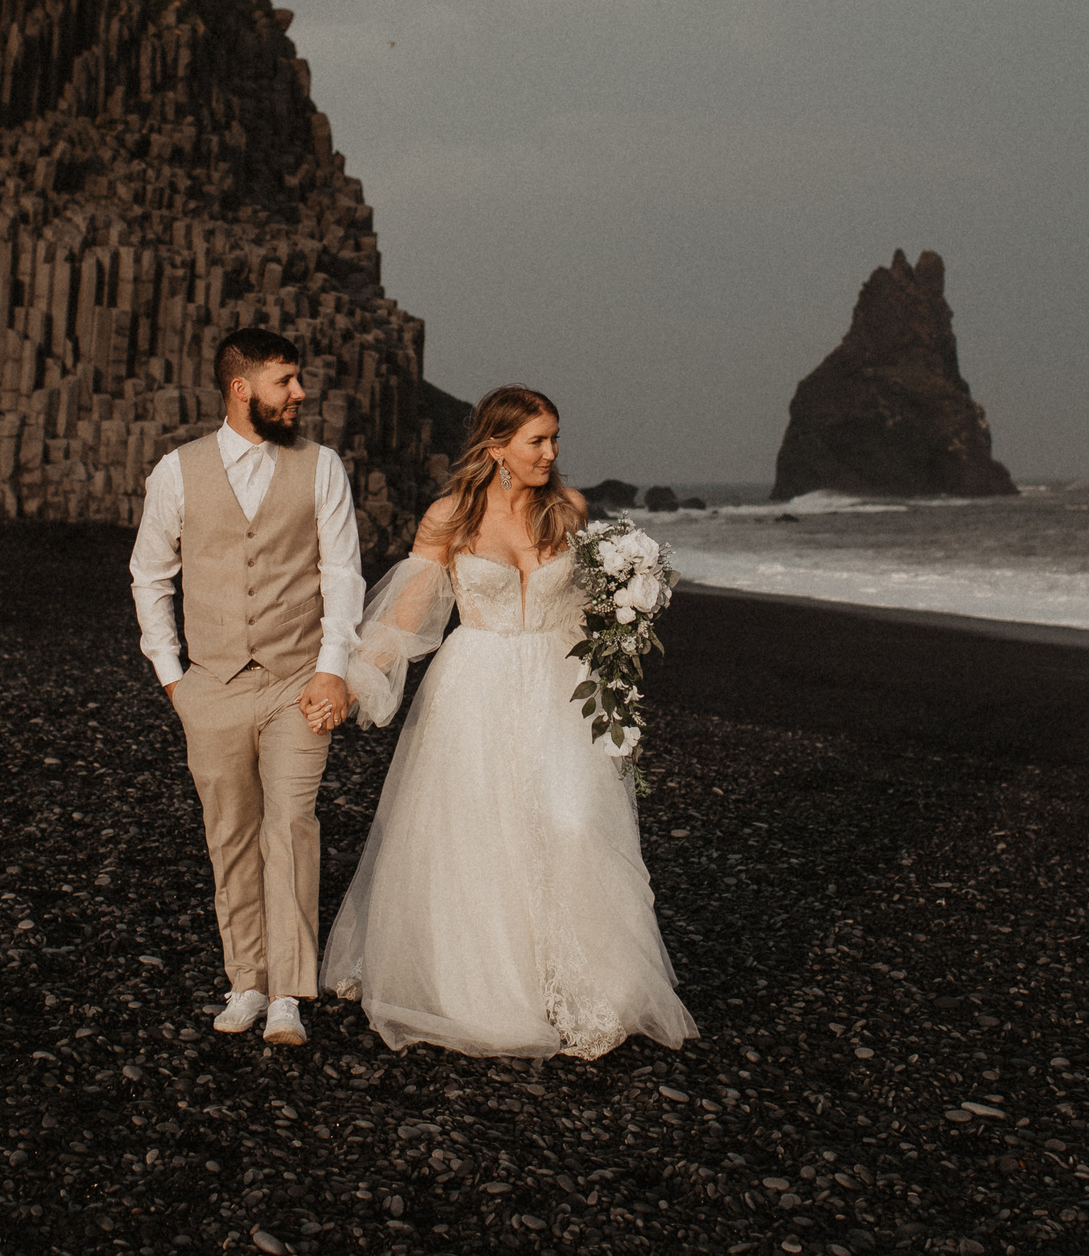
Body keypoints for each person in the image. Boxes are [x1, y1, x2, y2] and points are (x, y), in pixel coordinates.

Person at [321, 384, 697, 1058]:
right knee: (483, 833)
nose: (550, 453)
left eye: (555, 438)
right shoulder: (451, 516)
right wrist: (352, 682)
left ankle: (589, 982)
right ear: (496, 447)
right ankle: (490, 983)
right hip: (476, 686)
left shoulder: (570, 509)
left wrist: (621, 646)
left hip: (560, 685)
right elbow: (410, 611)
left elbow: (588, 608)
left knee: (575, 818)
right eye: (536, 440)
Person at [129, 327, 364, 1047]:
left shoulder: (322, 467)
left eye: (298, 380)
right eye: (285, 380)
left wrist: (332, 666)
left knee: (291, 824)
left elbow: (342, 574)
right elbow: (149, 575)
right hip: (212, 686)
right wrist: (174, 679)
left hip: (299, 680)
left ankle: (290, 991)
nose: (299, 393)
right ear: (242, 388)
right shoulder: (176, 470)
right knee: (229, 831)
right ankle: (246, 980)